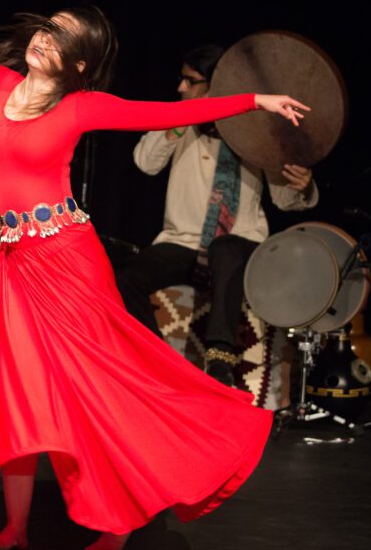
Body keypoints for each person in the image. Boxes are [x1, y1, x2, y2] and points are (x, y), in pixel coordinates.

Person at [0, 0, 309, 550]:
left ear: (77, 64)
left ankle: (121, 515)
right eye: (46, 28)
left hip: (69, 263)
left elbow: (164, 113)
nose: (43, 40)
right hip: (16, 266)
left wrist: (253, 102)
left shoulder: (80, 108)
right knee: (16, 394)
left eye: (60, 39)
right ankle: (15, 525)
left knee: (94, 393)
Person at [117, 45, 318, 386]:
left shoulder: (258, 131)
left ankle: (220, 364)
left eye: (190, 81)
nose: (180, 88)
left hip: (239, 246)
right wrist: (180, 122)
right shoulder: (180, 121)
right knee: (125, 279)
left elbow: (284, 199)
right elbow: (145, 162)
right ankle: (158, 365)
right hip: (183, 242)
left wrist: (302, 185)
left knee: (225, 249)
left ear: (217, 86)